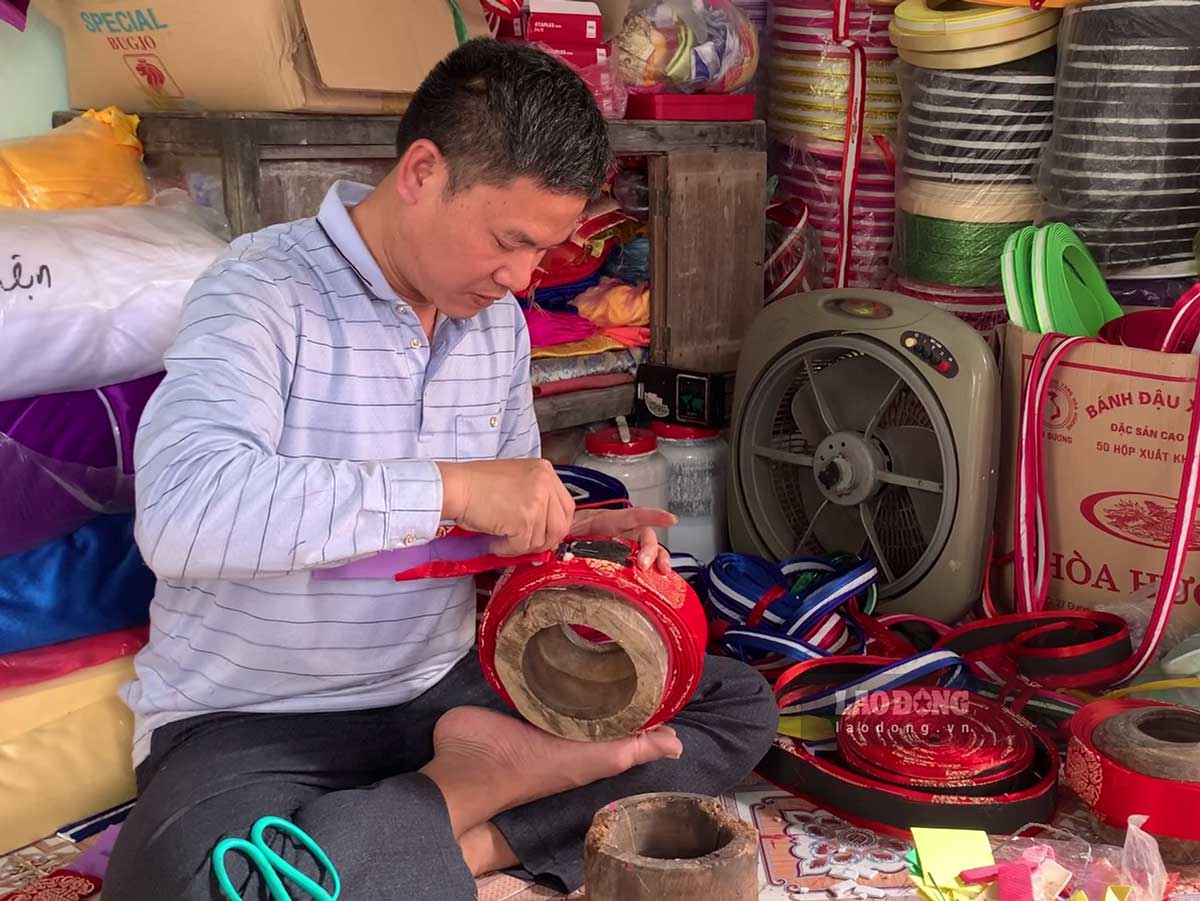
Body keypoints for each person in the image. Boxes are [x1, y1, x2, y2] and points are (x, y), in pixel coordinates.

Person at [104, 38, 778, 901]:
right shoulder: (259, 290)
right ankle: (472, 794)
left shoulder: (491, 321)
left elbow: (481, 537)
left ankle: (455, 828)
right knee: (186, 886)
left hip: (445, 688)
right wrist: (452, 484)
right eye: (509, 241)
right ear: (422, 171)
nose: (523, 278)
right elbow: (182, 509)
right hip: (257, 721)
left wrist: (573, 553)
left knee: (730, 704)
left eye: (544, 251)